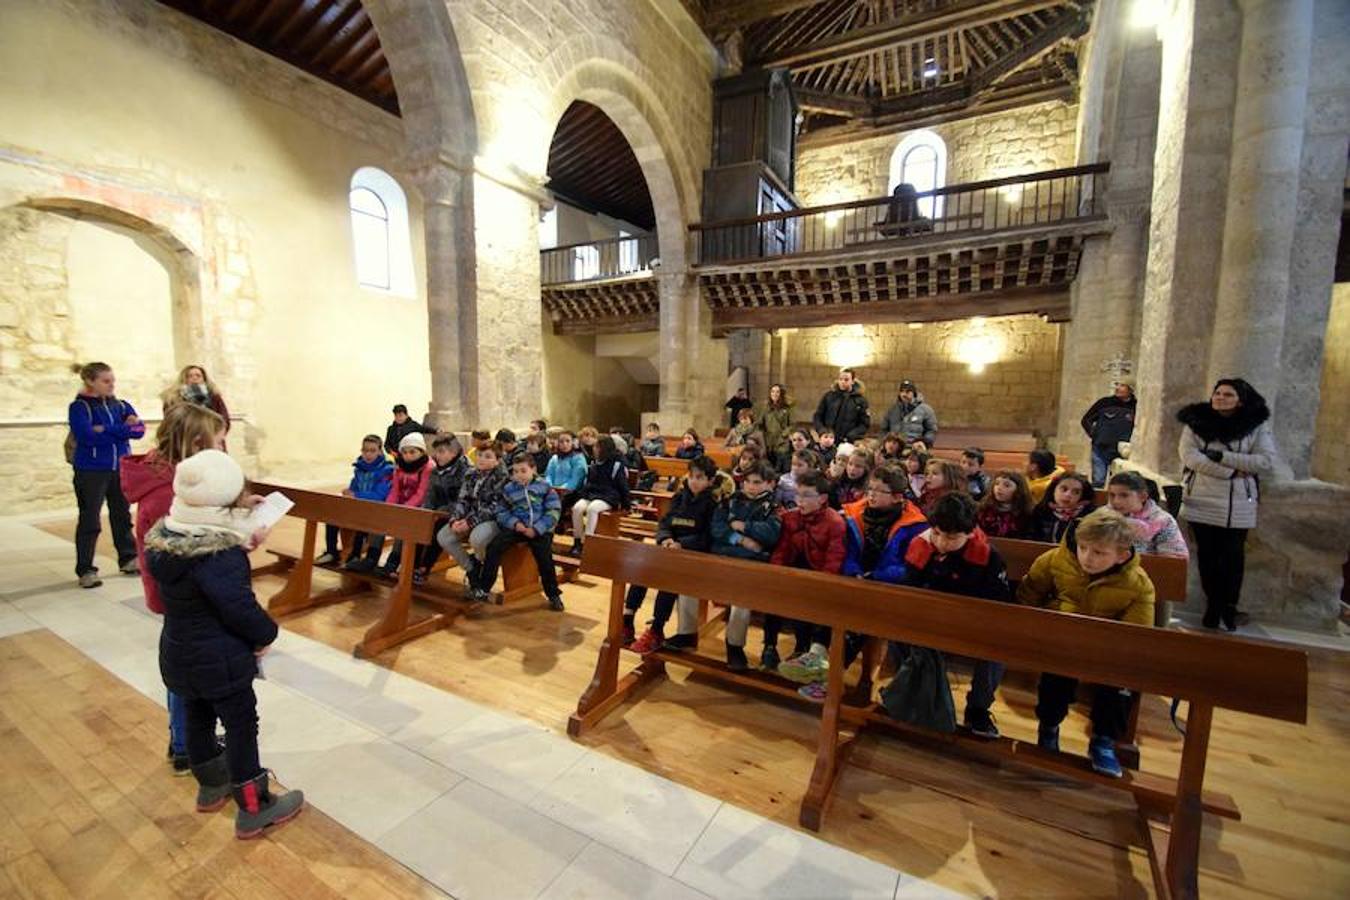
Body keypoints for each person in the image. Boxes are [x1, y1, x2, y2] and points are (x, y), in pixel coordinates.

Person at [144, 449, 304, 838]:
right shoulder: (218, 555)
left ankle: (211, 786)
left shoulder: (169, 536)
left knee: (197, 714)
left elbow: (206, 532)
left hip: (179, 651)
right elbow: (237, 606)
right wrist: (266, 634)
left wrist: (239, 515)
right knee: (240, 723)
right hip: (219, 656)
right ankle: (254, 807)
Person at [121, 402, 229, 775]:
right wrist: (241, 538)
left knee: (184, 664)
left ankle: (185, 741)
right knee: (188, 670)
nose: (222, 451)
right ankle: (186, 745)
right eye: (218, 443)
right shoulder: (168, 494)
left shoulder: (169, 480)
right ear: (196, 445)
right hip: (186, 595)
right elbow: (192, 552)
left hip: (178, 592)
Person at [1016, 507, 1155, 778]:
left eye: (1099, 553)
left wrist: (1105, 647)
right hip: (1061, 640)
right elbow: (1030, 592)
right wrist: (1036, 628)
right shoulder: (1056, 560)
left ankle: (1103, 740)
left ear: (1122, 555)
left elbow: (1137, 632)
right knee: (1055, 681)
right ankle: (1048, 727)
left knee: (1119, 686)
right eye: (1083, 548)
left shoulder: (1137, 583)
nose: (1087, 558)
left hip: (1108, 652)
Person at [783, 463, 927, 700]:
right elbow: (848, 552)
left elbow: (908, 568)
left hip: (888, 588)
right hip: (856, 579)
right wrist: (854, 571)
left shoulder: (915, 525)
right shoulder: (857, 513)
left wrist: (875, 576)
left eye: (878, 491)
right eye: (869, 488)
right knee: (832, 599)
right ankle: (816, 654)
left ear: (897, 497)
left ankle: (831, 679)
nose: (870, 494)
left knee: (859, 616)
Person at [900, 493, 1012, 737]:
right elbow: (908, 592)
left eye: (951, 538)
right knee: (899, 633)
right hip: (928, 619)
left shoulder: (987, 556)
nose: (941, 542)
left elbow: (999, 603)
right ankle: (915, 696)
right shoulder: (921, 545)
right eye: (937, 533)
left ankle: (978, 709)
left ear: (969, 532)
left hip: (974, 624)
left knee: (995, 651)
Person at [1176, 378, 1278, 630]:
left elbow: (1264, 461)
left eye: (1228, 394)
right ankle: (1213, 606)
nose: (1220, 397)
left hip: (1239, 502)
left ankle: (1229, 607)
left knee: (1233, 558)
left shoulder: (1255, 426)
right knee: (1208, 557)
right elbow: (1190, 457)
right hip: (1203, 498)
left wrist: (1223, 456)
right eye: (1217, 393)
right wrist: (1230, 472)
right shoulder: (1195, 422)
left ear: (1240, 400)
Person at [626, 456, 721, 652]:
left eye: (700, 477)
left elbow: (708, 536)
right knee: (642, 569)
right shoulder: (679, 498)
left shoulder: (713, 504)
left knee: (668, 579)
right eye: (692, 476)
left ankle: (656, 629)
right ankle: (627, 619)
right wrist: (665, 539)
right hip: (672, 550)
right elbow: (665, 523)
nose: (694, 481)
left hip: (696, 555)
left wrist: (681, 544)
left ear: (710, 481)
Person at [68, 361, 146, 588]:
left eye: (113, 380)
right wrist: (123, 431)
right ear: (90, 382)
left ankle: (128, 558)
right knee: (90, 519)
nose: (112, 385)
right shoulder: (79, 408)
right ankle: (86, 569)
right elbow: (86, 436)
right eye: (106, 381)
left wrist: (106, 429)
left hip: (119, 468)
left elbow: (139, 431)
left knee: (122, 515)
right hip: (91, 471)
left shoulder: (121, 406)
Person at [762, 470, 846, 672]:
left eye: (807, 496)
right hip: (794, 572)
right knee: (772, 594)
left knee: (810, 601)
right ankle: (770, 646)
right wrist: (775, 575)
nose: (800, 500)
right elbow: (782, 550)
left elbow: (834, 560)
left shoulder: (834, 522)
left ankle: (804, 649)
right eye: (797, 495)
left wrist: (820, 584)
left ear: (823, 498)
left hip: (819, 576)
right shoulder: (791, 518)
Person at [707, 461, 784, 670]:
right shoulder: (730, 501)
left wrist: (743, 525)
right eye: (747, 482)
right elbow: (716, 528)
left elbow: (771, 534)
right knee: (688, 585)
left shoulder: (773, 507)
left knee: (741, 601)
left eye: (757, 483)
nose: (750, 487)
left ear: (769, 484)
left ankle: (734, 647)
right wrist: (741, 540)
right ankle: (686, 633)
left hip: (752, 566)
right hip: (726, 557)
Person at [474, 453, 564, 609]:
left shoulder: (544, 487)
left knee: (545, 558)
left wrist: (537, 529)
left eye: (523, 471)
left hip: (539, 529)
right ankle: (484, 587)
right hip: (518, 528)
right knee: (494, 547)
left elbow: (554, 511)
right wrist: (515, 524)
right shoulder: (509, 489)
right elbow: (501, 511)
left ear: (533, 469)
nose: (518, 475)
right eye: (515, 472)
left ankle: (553, 594)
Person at [351, 432, 433, 577]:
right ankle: (372, 557)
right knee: (381, 519)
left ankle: (393, 561)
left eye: (412, 452)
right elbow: (395, 490)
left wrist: (403, 509)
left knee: (403, 525)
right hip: (400, 505)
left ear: (422, 452)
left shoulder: (427, 467)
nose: (408, 456)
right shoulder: (399, 466)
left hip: (418, 508)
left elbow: (421, 493)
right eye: (405, 452)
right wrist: (389, 508)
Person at [436, 442, 509, 592]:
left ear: (497, 459)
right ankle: (472, 568)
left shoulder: (503, 477)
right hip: (469, 517)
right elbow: (463, 499)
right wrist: (455, 519)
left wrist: (470, 522)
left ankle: (482, 564)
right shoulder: (471, 473)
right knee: (444, 537)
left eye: (488, 457)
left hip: (492, 520)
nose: (481, 459)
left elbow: (494, 507)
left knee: (477, 539)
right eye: (479, 455)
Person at [315, 434, 395, 567]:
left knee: (362, 524)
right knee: (332, 516)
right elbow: (353, 488)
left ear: (380, 451)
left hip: (375, 511)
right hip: (358, 508)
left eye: (372, 450)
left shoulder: (386, 471)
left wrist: (356, 494)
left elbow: (379, 496)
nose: (368, 454)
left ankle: (355, 555)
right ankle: (331, 552)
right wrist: (348, 492)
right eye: (365, 450)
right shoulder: (359, 468)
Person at [411, 435, 470, 584]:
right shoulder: (436, 472)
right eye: (436, 452)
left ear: (454, 452)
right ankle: (412, 566)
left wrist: (442, 511)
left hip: (460, 513)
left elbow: (464, 500)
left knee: (437, 528)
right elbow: (430, 496)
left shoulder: (466, 471)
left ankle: (424, 568)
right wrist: (426, 511)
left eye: (442, 451)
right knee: (420, 524)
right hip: (439, 512)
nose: (437, 456)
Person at [568, 435, 631, 554]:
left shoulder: (616, 464)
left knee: (592, 509)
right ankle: (577, 541)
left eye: (597, 446)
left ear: (605, 448)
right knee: (577, 508)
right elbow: (589, 483)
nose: (594, 448)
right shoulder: (594, 462)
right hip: (593, 494)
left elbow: (622, 485)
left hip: (609, 496)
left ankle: (588, 542)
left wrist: (626, 504)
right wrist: (582, 495)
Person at [1081, 381, 1137, 487]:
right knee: (1098, 481)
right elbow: (1086, 420)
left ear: (1130, 389)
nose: (1117, 388)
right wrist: (1095, 435)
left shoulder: (1136, 406)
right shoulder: (1104, 403)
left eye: (1122, 385)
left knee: (1120, 484)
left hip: (1122, 451)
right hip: (1101, 449)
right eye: (1117, 385)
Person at [161, 365, 231, 434]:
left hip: (211, 437)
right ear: (183, 379)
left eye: (198, 375)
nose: (194, 378)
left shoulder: (214, 396)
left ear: (204, 379)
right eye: (189, 376)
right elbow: (169, 421)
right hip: (184, 438)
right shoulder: (173, 398)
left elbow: (224, 419)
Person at [1029, 472, 1095, 544]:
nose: (1068, 495)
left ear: (1082, 496)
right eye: (1064, 489)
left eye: (1076, 492)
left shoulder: (1090, 516)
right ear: (1054, 489)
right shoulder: (1040, 510)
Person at [811, 368, 870, 443]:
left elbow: (864, 424)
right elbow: (818, 416)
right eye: (840, 379)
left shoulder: (860, 401)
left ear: (852, 381)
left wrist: (851, 435)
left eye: (846, 379)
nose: (842, 382)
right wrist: (822, 431)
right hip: (827, 439)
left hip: (847, 440)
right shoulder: (829, 396)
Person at [976, 470, 1035, 538]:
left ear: (1019, 490)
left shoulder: (1026, 513)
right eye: (997, 483)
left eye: (1007, 485)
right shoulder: (984, 508)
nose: (999, 488)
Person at [880, 380, 938, 446]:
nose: (904, 394)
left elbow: (931, 430)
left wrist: (924, 443)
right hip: (895, 448)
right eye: (902, 391)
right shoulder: (892, 410)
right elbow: (883, 429)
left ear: (914, 393)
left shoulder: (926, 410)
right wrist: (885, 443)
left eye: (908, 391)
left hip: (915, 448)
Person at [546, 430, 588, 513]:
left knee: (557, 502)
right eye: (561, 442)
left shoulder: (578, 458)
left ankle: (557, 524)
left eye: (567, 441)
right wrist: (550, 487)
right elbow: (549, 475)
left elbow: (576, 479)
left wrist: (563, 489)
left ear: (573, 442)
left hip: (571, 492)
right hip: (553, 490)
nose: (564, 444)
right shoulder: (554, 458)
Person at [756, 383, 794, 470]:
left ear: (781, 394)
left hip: (782, 442)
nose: (774, 394)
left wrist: (784, 435)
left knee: (780, 466)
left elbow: (792, 425)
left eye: (777, 392)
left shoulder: (787, 408)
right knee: (769, 466)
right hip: (768, 441)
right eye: (772, 391)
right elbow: (760, 423)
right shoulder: (766, 407)